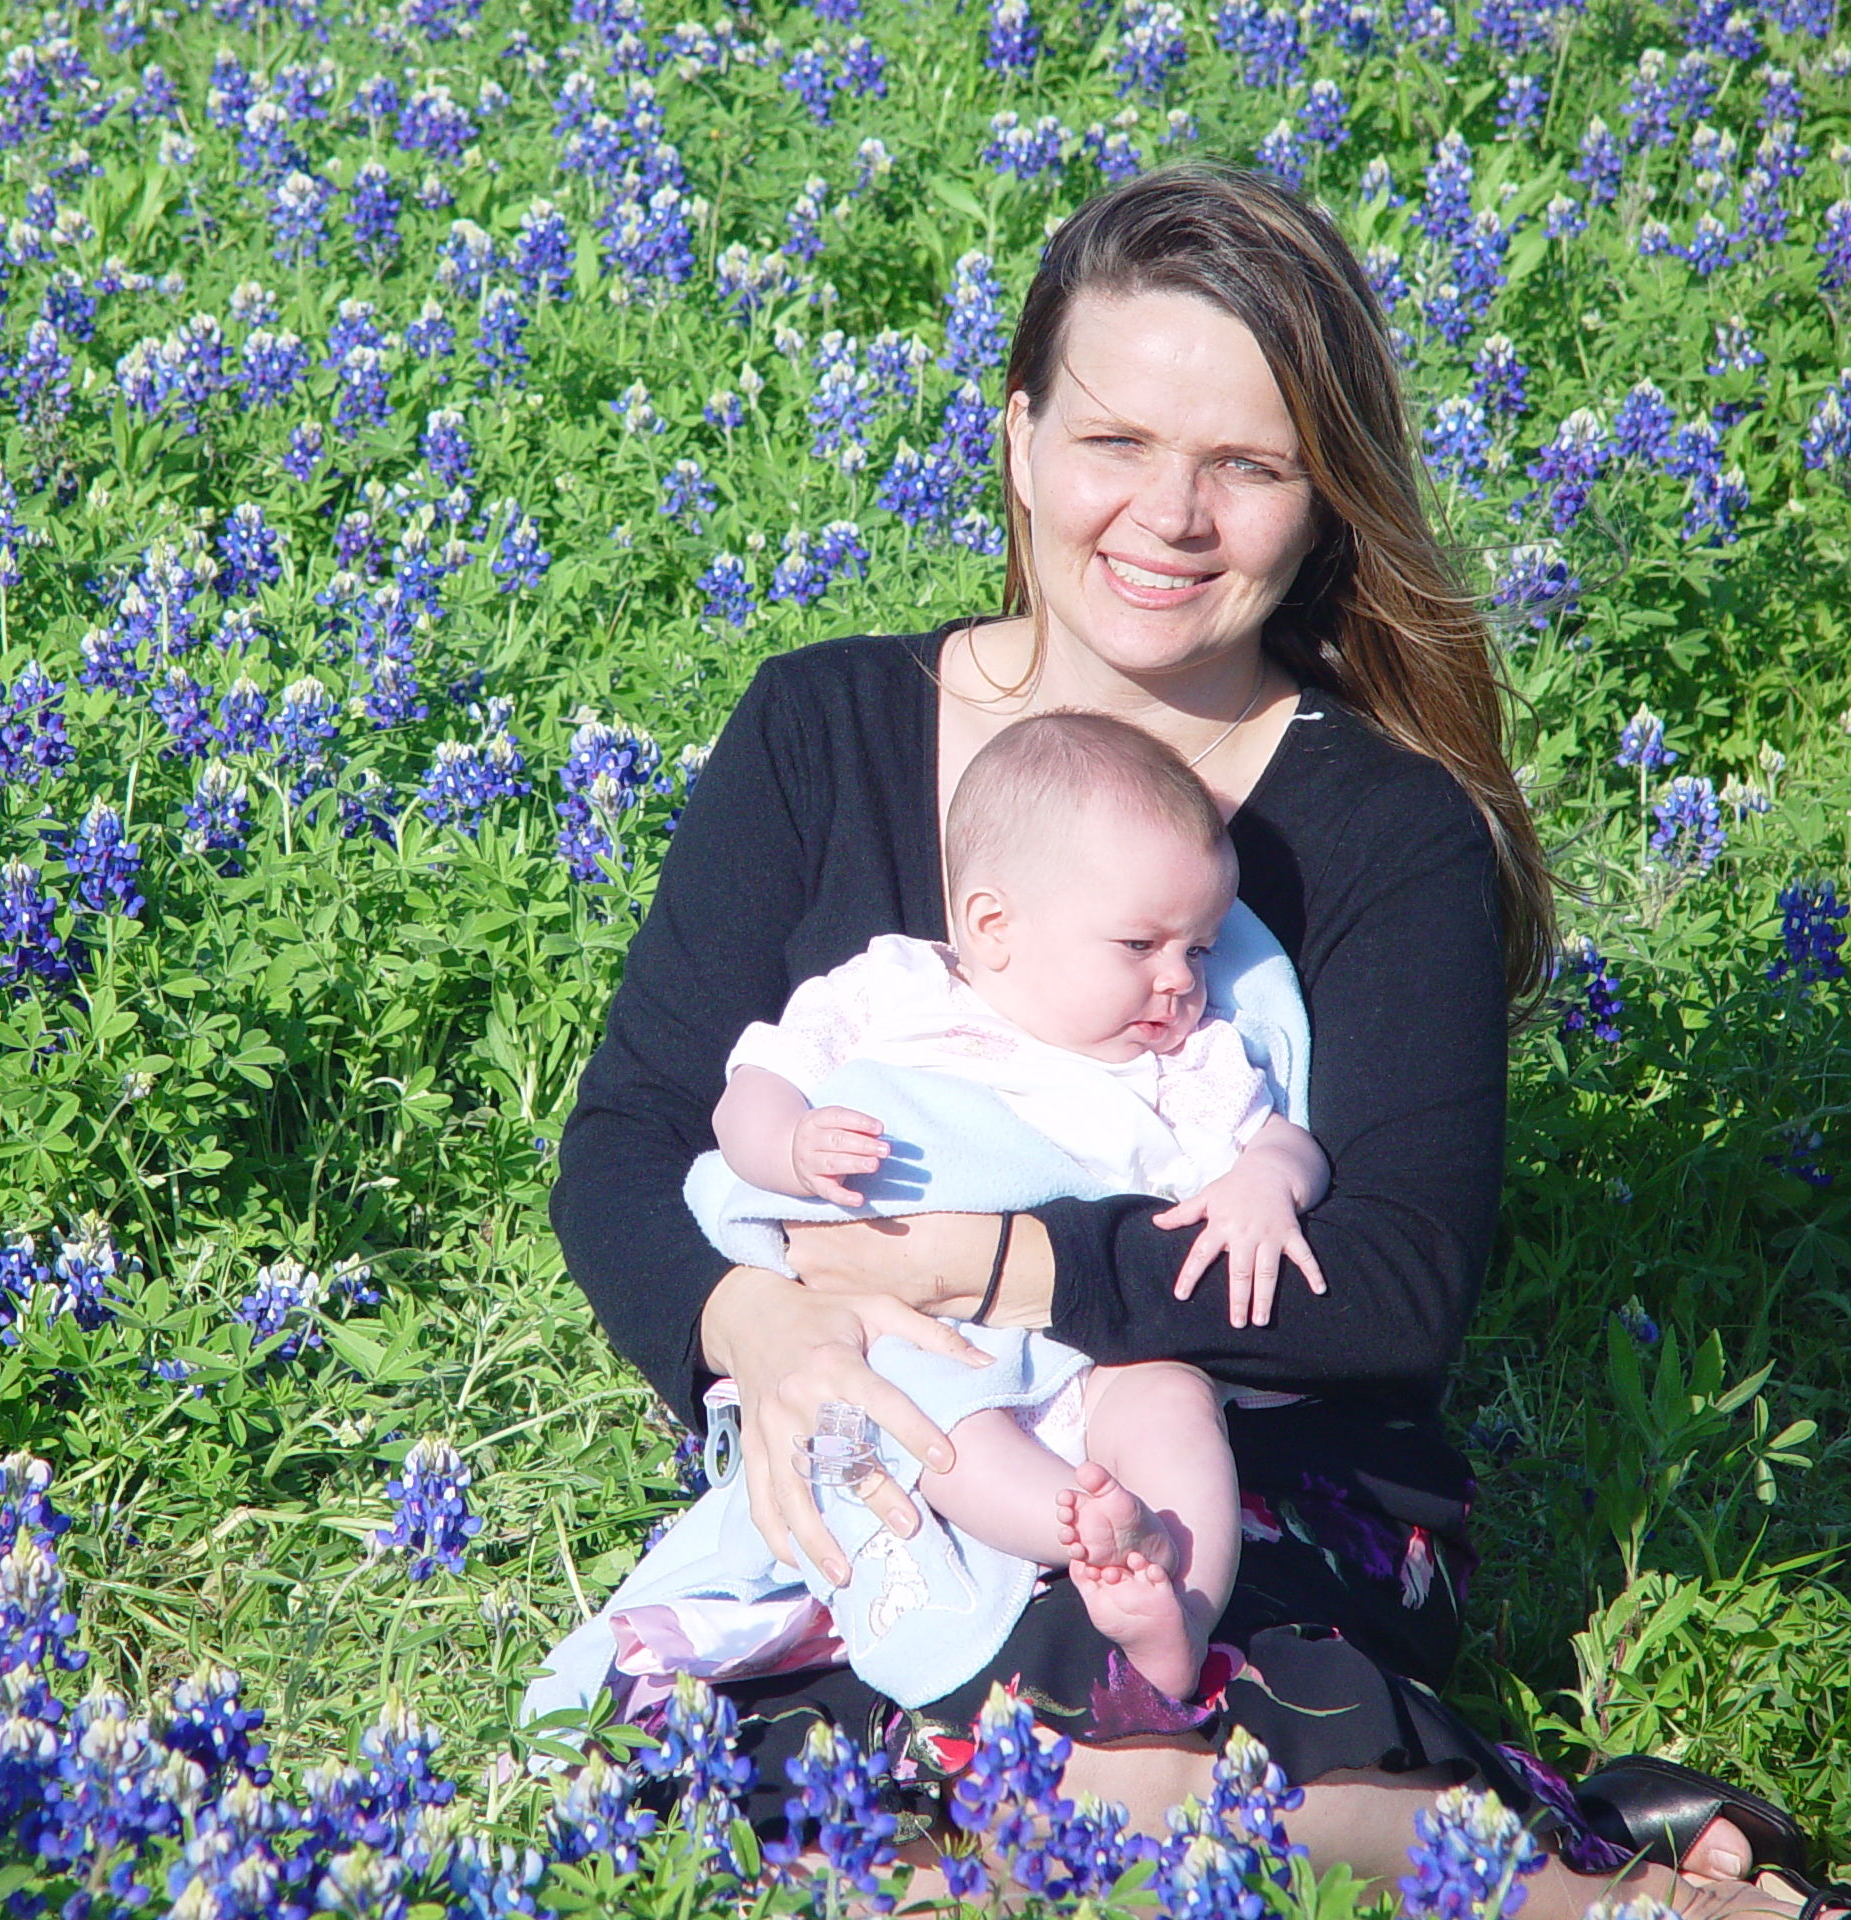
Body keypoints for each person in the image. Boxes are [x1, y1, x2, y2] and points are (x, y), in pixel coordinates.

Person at [549, 162, 1836, 1916]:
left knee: (1096, 1757)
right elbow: (630, 1138)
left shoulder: (1379, 829)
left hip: (1253, 1472)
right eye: (1115, 444)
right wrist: (759, 1331)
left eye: (1247, 463)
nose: (1170, 515)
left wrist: (994, 1260)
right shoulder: (823, 726)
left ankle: (1573, 1891)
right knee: (762, 1774)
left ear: (1326, 503)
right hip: (888, 1440)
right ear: (1017, 442)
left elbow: (1387, 1283)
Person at [707, 711, 1330, 1701]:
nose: (1179, 981)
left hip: (1101, 1346)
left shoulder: (1188, 1053)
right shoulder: (890, 991)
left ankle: (1174, 1605)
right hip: (936, 1338)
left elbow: (1281, 1142)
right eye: (1141, 944)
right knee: (933, 1424)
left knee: (1173, 1409)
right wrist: (788, 1145)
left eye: (1201, 950)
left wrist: (1265, 1181)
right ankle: (1076, 1527)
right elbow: (750, 1091)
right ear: (993, 926)